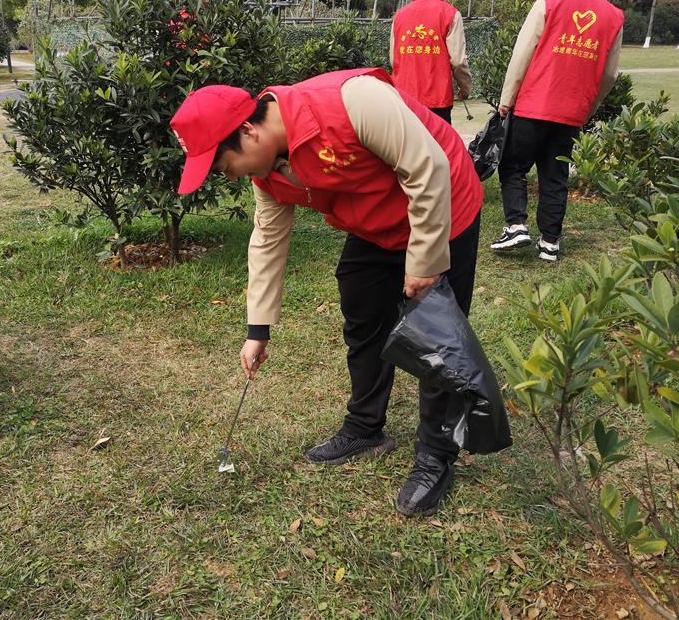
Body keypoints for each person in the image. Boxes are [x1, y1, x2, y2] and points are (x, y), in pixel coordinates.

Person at [170, 67, 484, 517]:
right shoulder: (268, 172)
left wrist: (424, 261)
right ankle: (365, 427)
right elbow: (267, 240)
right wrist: (257, 329)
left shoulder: (352, 102)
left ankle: (435, 456)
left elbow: (427, 165)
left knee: (437, 336)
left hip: (443, 203)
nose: (230, 176)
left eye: (224, 165)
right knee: (362, 307)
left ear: (248, 132)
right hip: (376, 222)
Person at [490, 0, 623, 262]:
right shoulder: (614, 16)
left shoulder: (548, 2)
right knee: (555, 175)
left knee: (513, 165)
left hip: (534, 104)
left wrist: (507, 99)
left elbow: (521, 54)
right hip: (571, 112)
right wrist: (588, 108)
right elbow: (609, 75)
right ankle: (550, 243)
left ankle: (516, 225)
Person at [390, 0, 472, 124]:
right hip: (437, 101)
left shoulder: (399, 16)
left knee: (406, 149)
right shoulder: (450, 14)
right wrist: (465, 88)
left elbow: (393, 60)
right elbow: (457, 61)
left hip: (404, 100)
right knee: (438, 148)